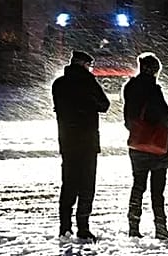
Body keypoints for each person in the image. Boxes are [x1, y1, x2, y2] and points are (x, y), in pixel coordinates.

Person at [52, 49, 110, 241]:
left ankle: (64, 227)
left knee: (68, 185)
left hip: (67, 141)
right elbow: (104, 105)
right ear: (84, 65)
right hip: (87, 141)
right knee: (86, 186)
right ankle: (83, 227)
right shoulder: (88, 82)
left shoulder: (59, 84)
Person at [122, 52, 168, 240]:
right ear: (153, 70)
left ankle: (133, 226)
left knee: (138, 185)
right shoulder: (153, 90)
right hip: (157, 144)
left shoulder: (130, 87)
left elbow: (128, 118)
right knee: (157, 190)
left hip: (137, 144)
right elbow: (164, 116)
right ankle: (160, 227)